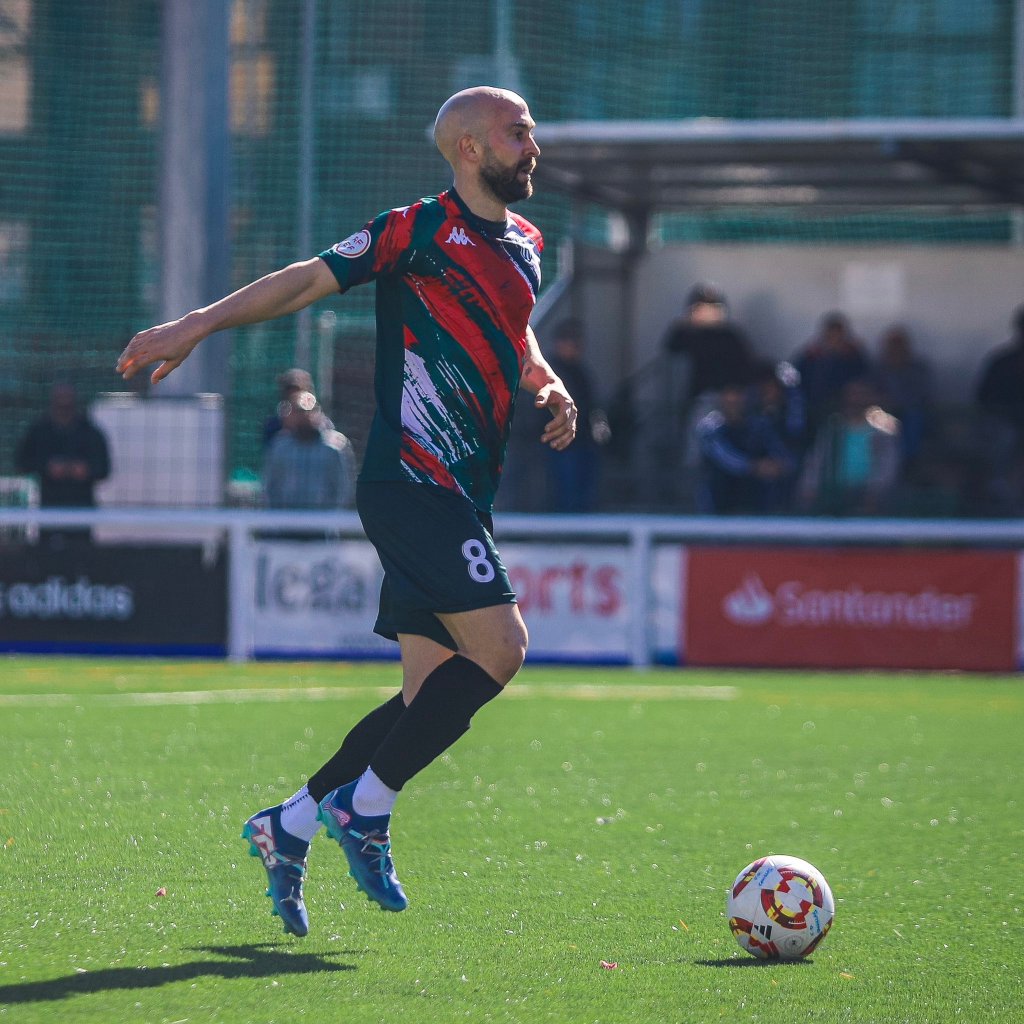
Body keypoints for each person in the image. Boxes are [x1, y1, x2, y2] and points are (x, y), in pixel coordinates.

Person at [116, 86, 577, 936]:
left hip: (465, 492)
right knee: (504, 648)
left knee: (429, 694)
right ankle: (365, 808)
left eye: (532, 129)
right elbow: (303, 283)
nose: (532, 143)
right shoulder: (416, 228)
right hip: (410, 481)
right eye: (518, 131)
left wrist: (545, 380)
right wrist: (197, 324)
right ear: (470, 148)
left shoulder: (526, 241)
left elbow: (517, 333)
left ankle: (289, 822)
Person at [15, 382, 111, 548]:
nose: (64, 408)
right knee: (47, 556)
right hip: (48, 506)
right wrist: (46, 467)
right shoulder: (39, 431)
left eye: (68, 403)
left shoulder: (90, 432)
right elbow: (22, 462)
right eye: (60, 403)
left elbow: (104, 468)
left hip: (81, 507)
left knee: (80, 555)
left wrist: (85, 470)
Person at [797, 377, 901, 516]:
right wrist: (809, 486)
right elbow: (816, 460)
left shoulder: (884, 430)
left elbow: (889, 465)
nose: (855, 400)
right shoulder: (832, 427)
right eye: (851, 395)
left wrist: (874, 492)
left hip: (871, 496)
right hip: (833, 494)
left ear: (870, 397)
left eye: (861, 394)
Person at [694, 383, 796, 514]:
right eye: (729, 401)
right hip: (719, 497)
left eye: (737, 399)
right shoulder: (709, 427)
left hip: (753, 496)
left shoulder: (759, 426)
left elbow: (779, 450)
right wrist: (754, 467)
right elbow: (724, 457)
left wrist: (780, 464)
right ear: (722, 401)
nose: (734, 405)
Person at [539, 317, 608, 511]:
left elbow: (592, 405)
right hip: (562, 442)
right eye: (570, 342)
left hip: (584, 440)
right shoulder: (550, 373)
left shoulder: (581, 371)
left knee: (586, 494)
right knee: (566, 493)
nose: (574, 347)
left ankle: (583, 534)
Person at [263, 390, 356, 510]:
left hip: (322, 521)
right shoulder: (280, 447)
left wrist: (333, 516)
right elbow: (270, 484)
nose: (304, 417)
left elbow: (344, 486)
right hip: (286, 520)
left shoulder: (334, 447)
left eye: (308, 411)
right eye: (299, 412)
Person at [974, 305, 1024, 514]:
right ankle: (1001, 491)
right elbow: (983, 398)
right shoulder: (1002, 362)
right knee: (1005, 437)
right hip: (1004, 424)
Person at [792, 311, 871, 441]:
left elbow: (863, 382)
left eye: (838, 336)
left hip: (844, 407)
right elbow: (791, 376)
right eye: (831, 336)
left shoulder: (854, 357)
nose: (834, 341)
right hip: (811, 405)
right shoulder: (811, 357)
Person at [872, 325, 932, 468]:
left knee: (914, 417)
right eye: (892, 346)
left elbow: (921, 393)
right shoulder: (877, 369)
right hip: (883, 413)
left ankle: (908, 462)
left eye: (899, 346)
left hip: (909, 412)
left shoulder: (918, 369)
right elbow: (869, 392)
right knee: (876, 419)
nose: (895, 350)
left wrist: (895, 401)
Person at [263, 367, 315, 448]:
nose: (293, 394)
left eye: (297, 389)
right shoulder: (275, 424)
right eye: (289, 389)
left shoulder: (319, 423)